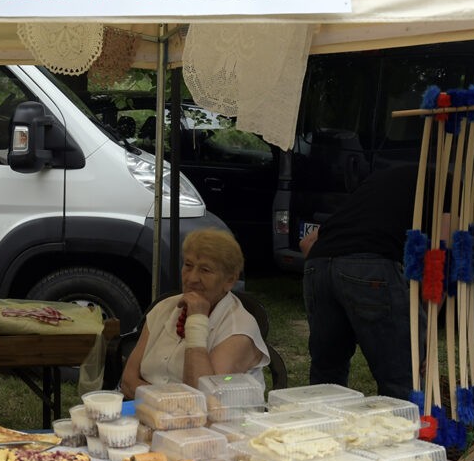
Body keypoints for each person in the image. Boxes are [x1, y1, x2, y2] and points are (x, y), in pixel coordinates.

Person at [300, 163, 441, 400]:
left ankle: (323, 421)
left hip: (317, 265)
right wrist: (425, 333)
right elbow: (438, 263)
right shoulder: (451, 189)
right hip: (370, 266)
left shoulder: (380, 181)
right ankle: (401, 423)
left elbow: (307, 243)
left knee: (326, 378)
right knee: (401, 379)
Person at [119, 228, 269, 398]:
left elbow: (203, 397)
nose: (191, 278)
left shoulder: (240, 329)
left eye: (205, 270)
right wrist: (160, 403)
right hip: (150, 410)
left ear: (229, 280)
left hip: (218, 415)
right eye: (188, 265)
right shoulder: (164, 308)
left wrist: (197, 319)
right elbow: (128, 382)